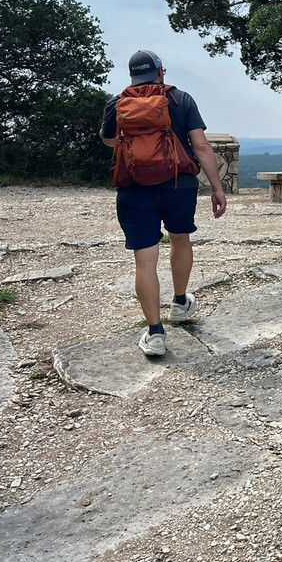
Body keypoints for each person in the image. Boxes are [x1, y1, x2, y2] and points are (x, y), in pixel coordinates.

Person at [99, 50, 227, 357]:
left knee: (145, 260)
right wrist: (217, 188)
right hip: (178, 185)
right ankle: (180, 302)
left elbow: (107, 140)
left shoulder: (117, 103)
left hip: (133, 188)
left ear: (132, 76)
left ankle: (155, 333)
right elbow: (201, 145)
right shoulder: (181, 100)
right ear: (161, 72)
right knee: (180, 240)